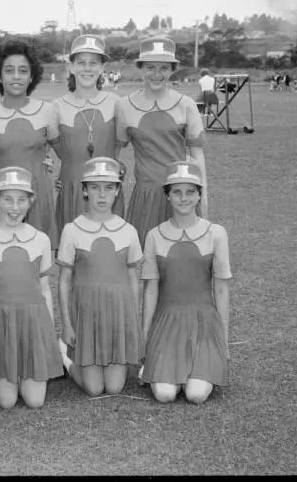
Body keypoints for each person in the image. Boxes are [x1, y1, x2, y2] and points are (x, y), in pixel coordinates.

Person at [0, 167, 63, 409]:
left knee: (35, 401)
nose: (15, 207)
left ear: (31, 201)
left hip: (31, 323)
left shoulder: (40, 239)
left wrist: (48, 333)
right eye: (7, 199)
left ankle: (21, 368)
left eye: (22, 199)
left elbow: (44, 288)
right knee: (7, 401)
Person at [140, 160, 231, 404]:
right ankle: (169, 366)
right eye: (177, 192)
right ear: (167, 196)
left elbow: (221, 290)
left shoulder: (216, 234)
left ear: (199, 195)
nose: (184, 198)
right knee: (165, 394)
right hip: (167, 322)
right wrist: (145, 339)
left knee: (196, 395)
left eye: (191, 191)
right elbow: (151, 291)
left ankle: (199, 365)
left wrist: (224, 340)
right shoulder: (154, 235)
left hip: (204, 324)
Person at [58, 157, 143, 396]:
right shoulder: (72, 229)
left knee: (114, 388)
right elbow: (64, 280)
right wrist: (66, 323)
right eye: (95, 187)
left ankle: (110, 360)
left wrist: (132, 317)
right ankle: (65, 357)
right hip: (87, 316)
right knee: (94, 389)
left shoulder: (128, 231)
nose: (102, 195)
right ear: (85, 190)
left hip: (117, 313)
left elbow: (132, 276)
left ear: (117, 191)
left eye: (109, 187)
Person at [115, 36, 208, 249]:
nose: (157, 74)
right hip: (145, 195)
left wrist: (203, 196)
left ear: (172, 69)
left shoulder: (186, 105)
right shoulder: (124, 106)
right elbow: (114, 152)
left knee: (181, 258)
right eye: (150, 67)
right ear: (140, 68)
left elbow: (198, 155)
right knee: (147, 260)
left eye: (164, 68)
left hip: (182, 194)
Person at [0, 38, 60, 248]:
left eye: (23, 71)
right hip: (4, 198)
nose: (16, 76)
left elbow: (62, 150)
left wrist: (50, 168)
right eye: (9, 70)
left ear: (32, 77)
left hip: (39, 195)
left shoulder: (48, 111)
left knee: (39, 259)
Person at [52, 34, 125, 243]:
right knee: (73, 256)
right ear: (72, 67)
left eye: (94, 63)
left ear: (102, 68)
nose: (87, 68)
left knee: (110, 251)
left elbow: (119, 146)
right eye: (81, 62)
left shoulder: (116, 103)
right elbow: (40, 147)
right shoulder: (57, 107)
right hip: (72, 189)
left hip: (107, 189)